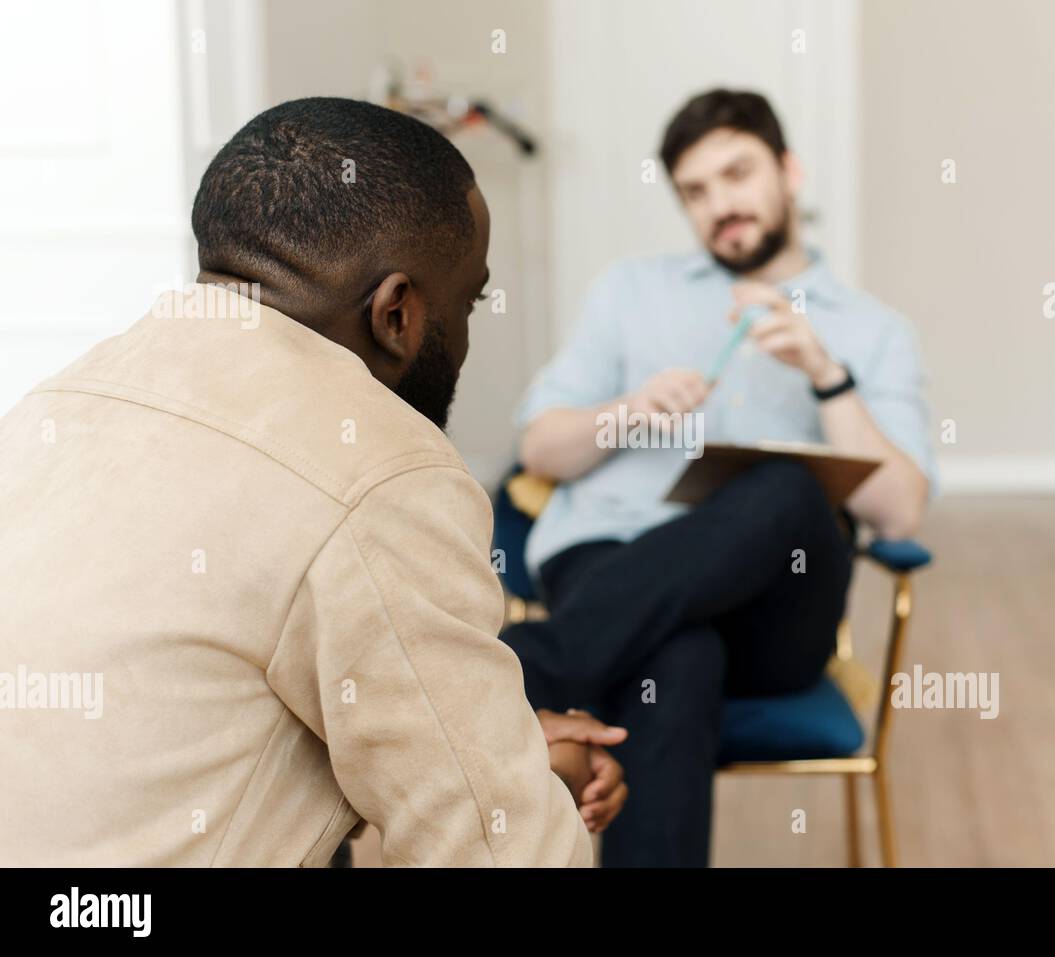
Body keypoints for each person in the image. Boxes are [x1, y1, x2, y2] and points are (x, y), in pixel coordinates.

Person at [0, 97, 625, 866]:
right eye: (467, 302)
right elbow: (502, 854)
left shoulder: (57, 405)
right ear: (397, 312)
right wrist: (521, 792)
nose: (465, 335)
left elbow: (175, 717)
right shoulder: (380, 468)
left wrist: (495, 744)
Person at [501, 89, 936, 867]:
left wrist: (825, 375)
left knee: (788, 488)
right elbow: (540, 451)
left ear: (790, 171)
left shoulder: (872, 331)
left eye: (737, 174)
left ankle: (529, 662)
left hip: (771, 616)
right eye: (695, 192)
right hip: (612, 565)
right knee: (678, 656)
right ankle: (559, 651)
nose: (720, 206)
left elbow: (900, 513)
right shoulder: (630, 291)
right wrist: (627, 412)